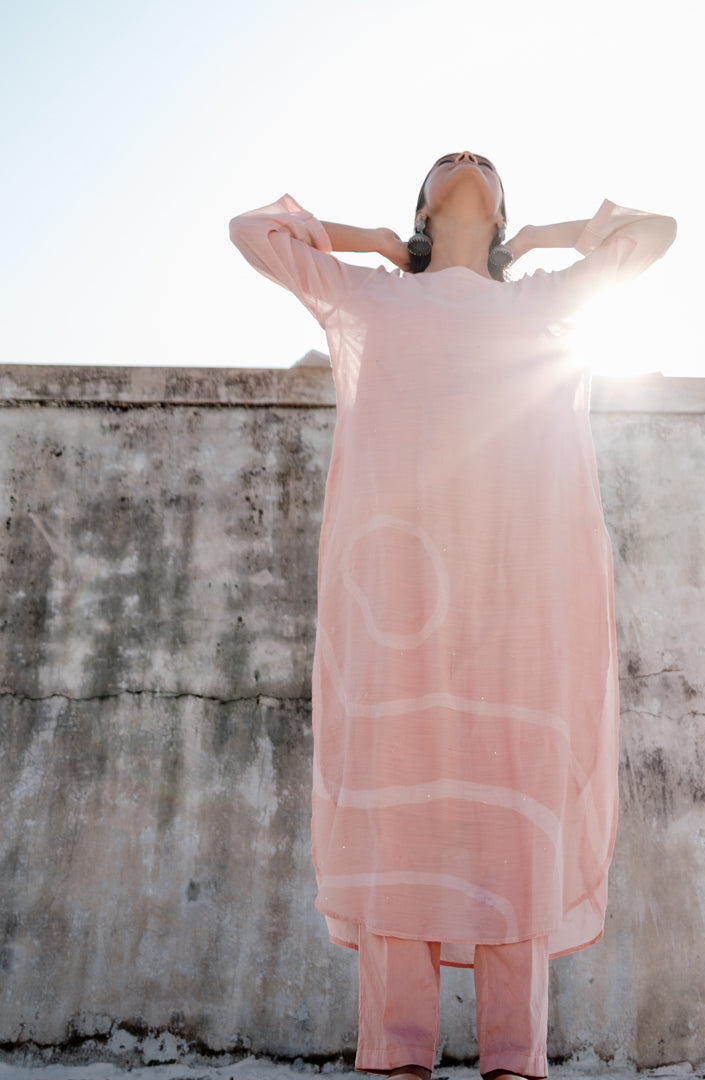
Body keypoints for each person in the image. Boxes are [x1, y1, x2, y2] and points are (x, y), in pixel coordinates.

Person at [229, 151, 676, 1080]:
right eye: (446, 160)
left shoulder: (539, 303)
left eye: (485, 163)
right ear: (424, 203)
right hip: (397, 609)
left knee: (514, 829)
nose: (468, 158)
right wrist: (383, 246)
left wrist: (543, 240)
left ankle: (515, 1059)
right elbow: (253, 233)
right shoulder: (373, 298)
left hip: (519, 609)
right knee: (400, 824)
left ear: (500, 208)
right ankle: (397, 1056)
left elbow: (655, 235)